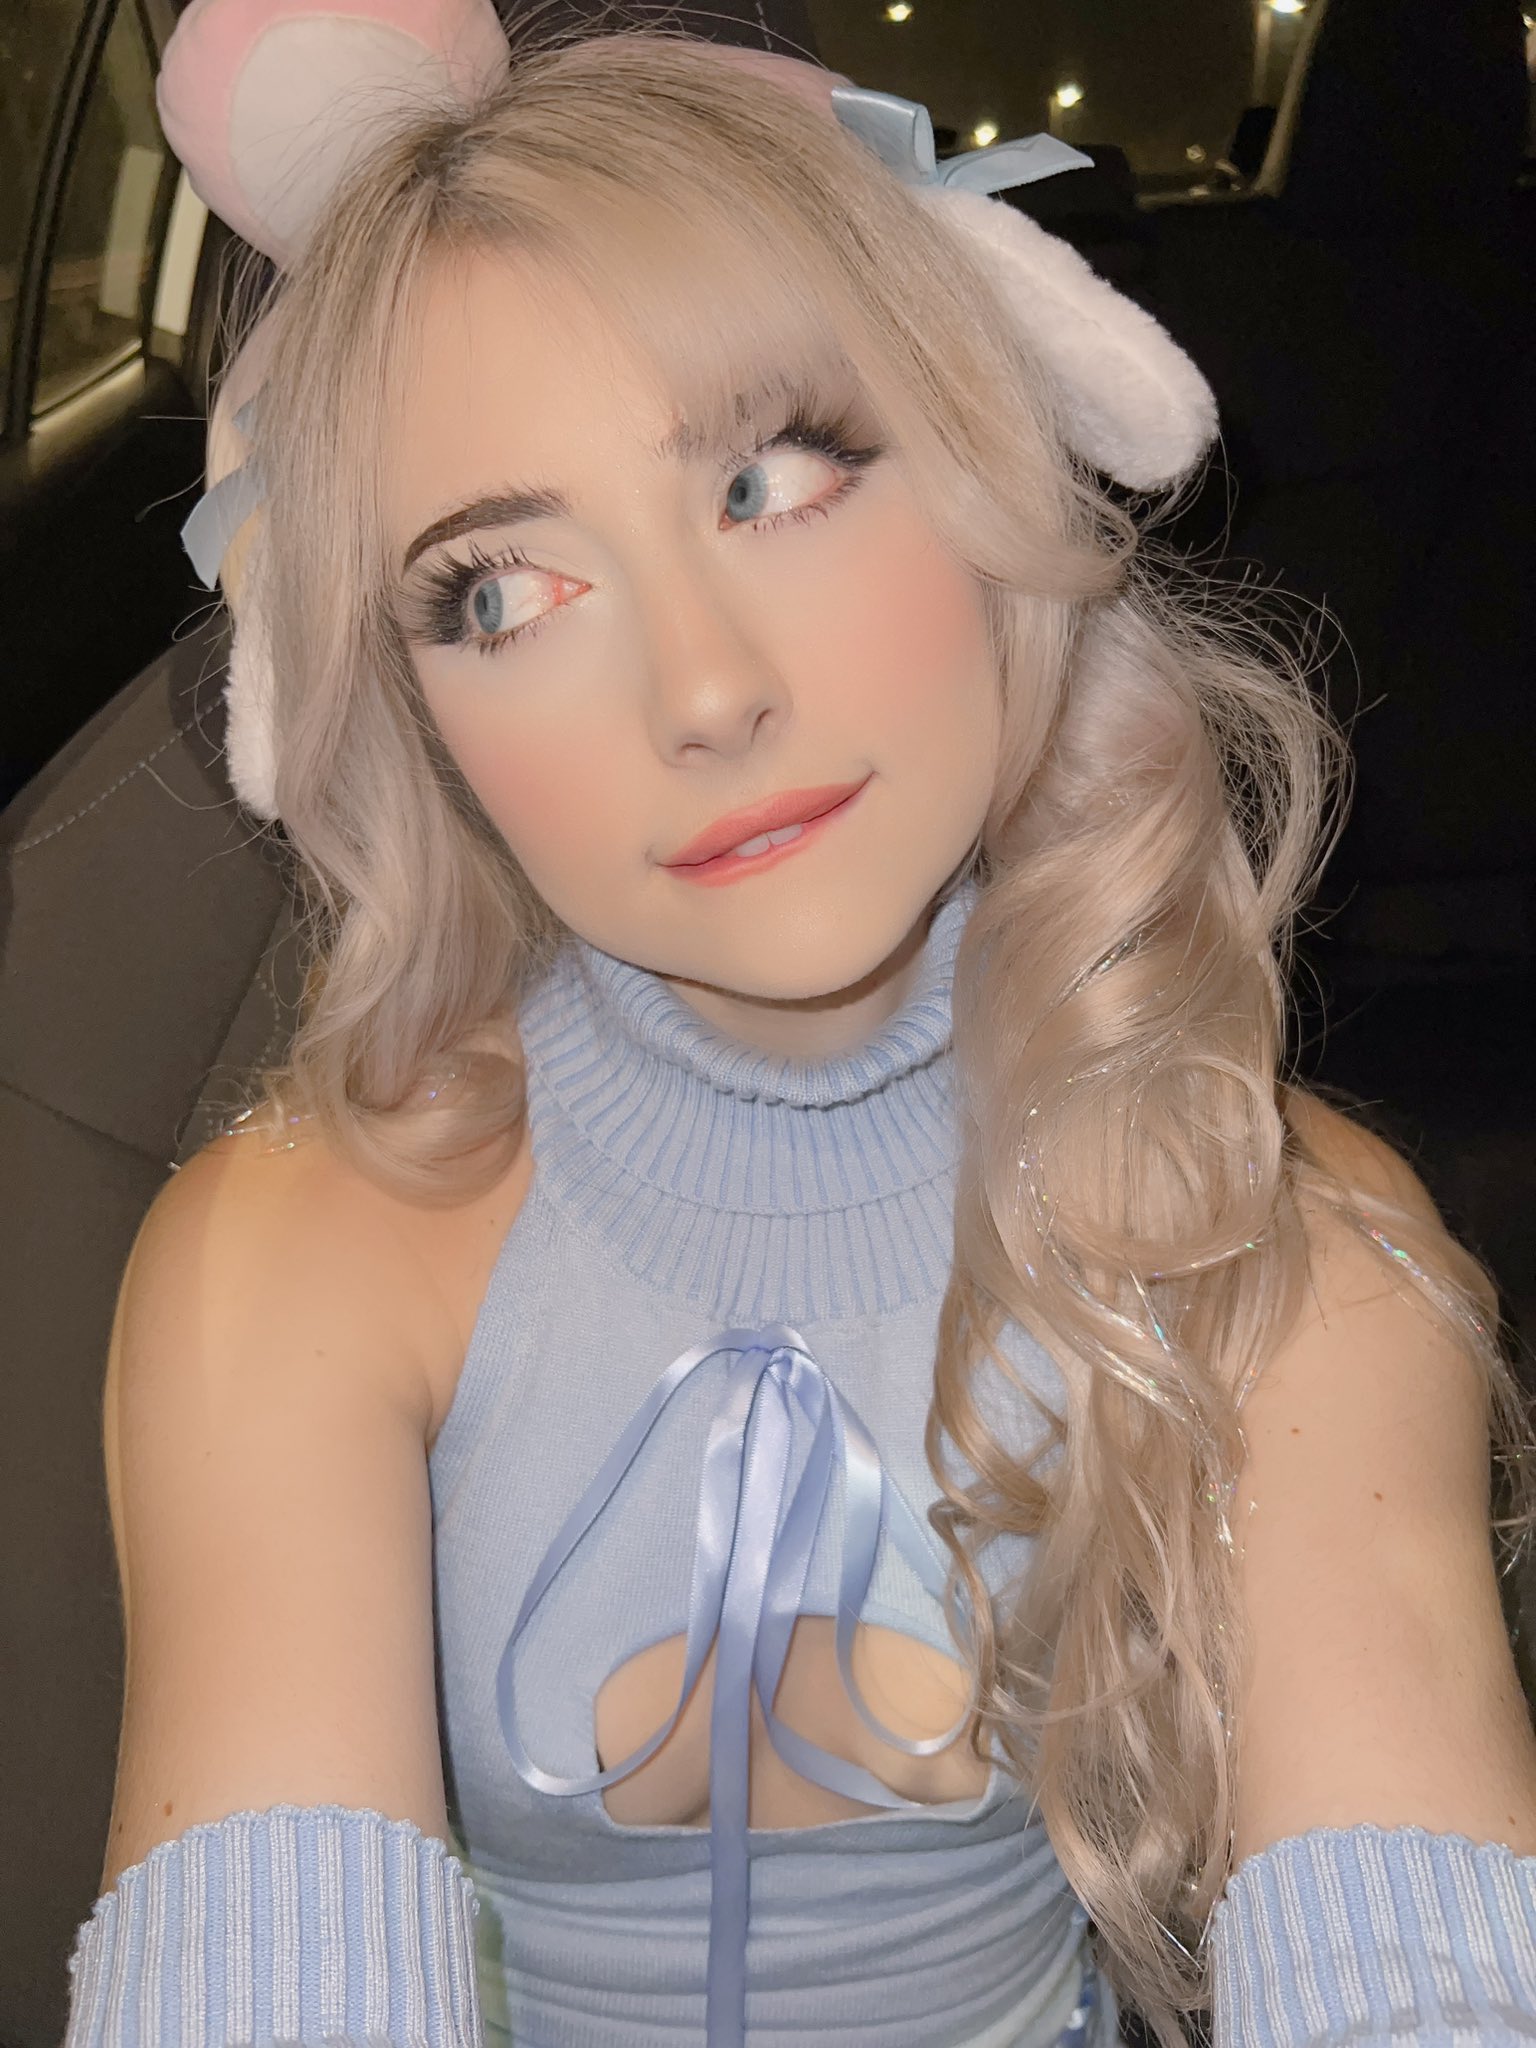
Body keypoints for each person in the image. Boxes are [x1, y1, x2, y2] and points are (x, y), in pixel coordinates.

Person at [62, 6, 1536, 2045]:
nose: (703, 691)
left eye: (771, 477)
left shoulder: (1292, 1253)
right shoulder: (286, 1264)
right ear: (413, 719)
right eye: (500, 593)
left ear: (996, 460)